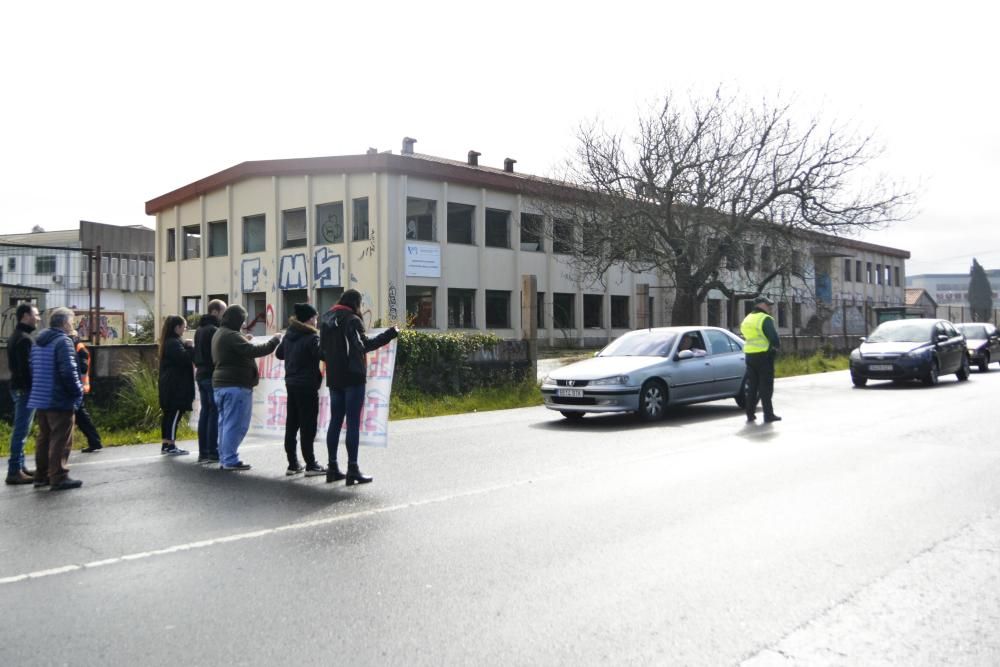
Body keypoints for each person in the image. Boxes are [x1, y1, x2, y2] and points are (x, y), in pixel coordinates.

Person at [320, 289, 398, 485]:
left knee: (335, 421)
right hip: (353, 376)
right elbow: (364, 345)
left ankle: (332, 468)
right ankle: (352, 469)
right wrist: (390, 333)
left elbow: (321, 351)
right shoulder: (352, 320)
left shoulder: (326, 318)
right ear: (355, 303)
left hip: (334, 377)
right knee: (352, 422)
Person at [212, 304, 281, 471]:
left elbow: (237, 350)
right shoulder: (232, 335)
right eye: (242, 319)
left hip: (221, 385)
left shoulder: (220, 333)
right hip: (235, 385)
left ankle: (224, 457)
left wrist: (245, 340)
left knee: (224, 424)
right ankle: (230, 459)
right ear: (236, 319)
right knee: (235, 425)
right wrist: (274, 340)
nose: (244, 323)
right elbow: (253, 351)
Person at [27, 307, 84, 491]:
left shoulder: (38, 341)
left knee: (44, 437)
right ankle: (58, 476)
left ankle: (41, 475)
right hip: (59, 397)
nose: (73, 325)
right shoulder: (63, 342)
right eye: (72, 322)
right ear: (65, 322)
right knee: (60, 438)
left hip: (40, 396)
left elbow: (32, 367)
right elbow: (68, 371)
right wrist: (77, 391)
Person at [275, 303, 325, 477]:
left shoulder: (289, 335)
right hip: (307, 385)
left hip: (291, 383)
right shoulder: (311, 338)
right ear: (310, 319)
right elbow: (322, 355)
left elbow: (279, 354)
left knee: (292, 424)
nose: (317, 321)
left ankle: (293, 463)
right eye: (316, 318)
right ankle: (311, 464)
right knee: (307, 425)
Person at [6, 303, 40, 485]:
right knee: (21, 431)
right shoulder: (25, 339)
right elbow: (26, 369)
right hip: (25, 390)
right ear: (25, 315)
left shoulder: (17, 336)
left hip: (18, 388)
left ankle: (20, 466)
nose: (38, 318)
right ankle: (14, 471)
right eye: (35, 314)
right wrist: (34, 388)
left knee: (23, 430)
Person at [194, 299, 226, 464]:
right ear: (215, 312)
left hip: (200, 374)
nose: (223, 316)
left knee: (205, 412)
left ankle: (203, 452)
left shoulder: (199, 329)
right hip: (211, 374)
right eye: (223, 312)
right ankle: (213, 451)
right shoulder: (214, 330)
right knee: (214, 412)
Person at [740, 295, 781, 423]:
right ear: (760, 305)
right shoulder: (765, 319)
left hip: (750, 356)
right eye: (767, 305)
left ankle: (750, 414)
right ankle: (768, 415)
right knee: (766, 387)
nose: (769, 307)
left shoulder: (747, 319)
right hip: (764, 356)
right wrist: (776, 347)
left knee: (752, 387)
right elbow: (773, 338)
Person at [158, 315, 195, 456]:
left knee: (168, 416)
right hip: (176, 387)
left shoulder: (168, 342)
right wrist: (190, 348)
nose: (185, 330)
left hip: (169, 385)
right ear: (177, 327)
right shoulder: (173, 343)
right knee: (174, 415)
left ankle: (166, 443)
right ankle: (171, 444)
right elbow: (184, 359)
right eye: (184, 327)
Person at [74, 336, 104, 453]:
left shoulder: (79, 348)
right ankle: (94, 441)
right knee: (80, 416)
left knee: (81, 416)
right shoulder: (77, 346)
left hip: (79, 386)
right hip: (78, 386)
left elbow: (83, 367)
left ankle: (94, 441)